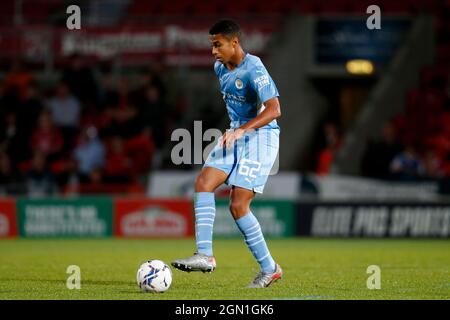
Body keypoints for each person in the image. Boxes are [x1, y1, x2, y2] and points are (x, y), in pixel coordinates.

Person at [172, 20, 283, 288]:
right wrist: (236, 131)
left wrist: (242, 130)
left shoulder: (254, 67)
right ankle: (205, 255)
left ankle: (270, 269)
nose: (213, 51)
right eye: (211, 45)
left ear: (234, 42)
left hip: (261, 137)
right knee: (203, 182)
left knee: (238, 205)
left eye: (217, 45)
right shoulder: (219, 68)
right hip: (236, 134)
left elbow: (273, 109)